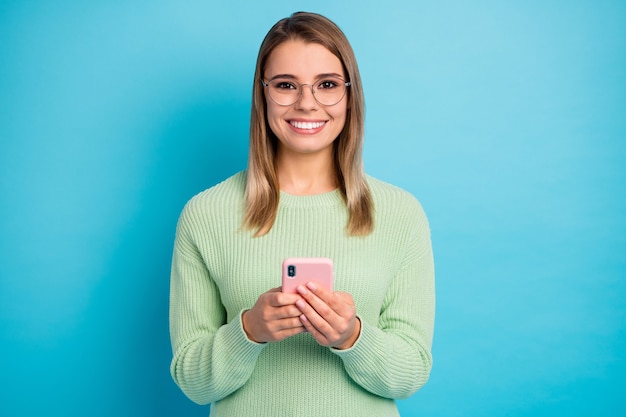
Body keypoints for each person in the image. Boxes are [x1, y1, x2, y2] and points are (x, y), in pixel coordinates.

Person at [169, 11, 435, 417]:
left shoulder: (400, 214)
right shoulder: (205, 215)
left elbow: (411, 372)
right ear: (263, 94)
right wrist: (248, 332)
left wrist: (353, 337)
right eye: (286, 85)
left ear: (349, 94)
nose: (306, 103)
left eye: (327, 85)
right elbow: (192, 381)